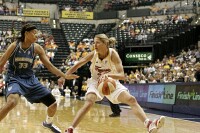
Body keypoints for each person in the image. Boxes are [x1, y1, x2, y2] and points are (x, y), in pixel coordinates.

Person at [58, 34, 165, 133]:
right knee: (89, 102)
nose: (94, 45)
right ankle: (71, 128)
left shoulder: (113, 54)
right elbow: (78, 64)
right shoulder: (93, 54)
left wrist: (109, 76)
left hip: (111, 82)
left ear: (105, 44)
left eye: (97, 42)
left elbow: (122, 75)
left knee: (131, 99)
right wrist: (64, 76)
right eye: (94, 42)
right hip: (95, 82)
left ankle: (149, 124)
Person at [0, 23, 79, 133]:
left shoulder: (37, 48)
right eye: (34, 33)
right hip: (14, 78)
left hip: (30, 79)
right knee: (12, 102)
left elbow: (50, 66)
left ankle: (48, 123)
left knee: (53, 104)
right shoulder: (14, 46)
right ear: (26, 33)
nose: (36, 35)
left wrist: (64, 75)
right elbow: (1, 63)